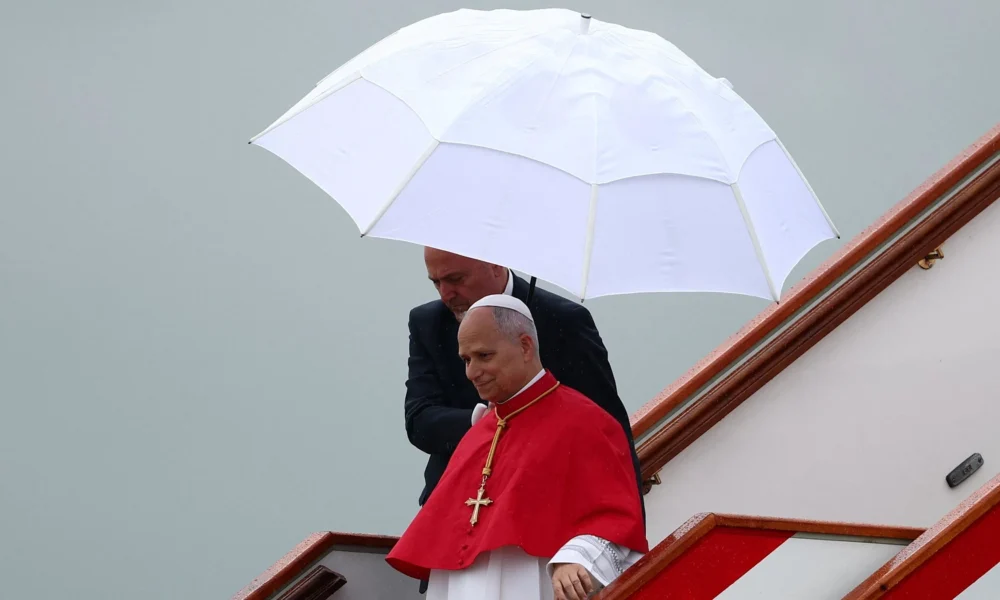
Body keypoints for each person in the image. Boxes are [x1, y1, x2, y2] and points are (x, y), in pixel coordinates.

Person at [387, 295, 648, 600]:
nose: (472, 372)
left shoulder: (586, 422)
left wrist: (577, 557)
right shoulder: (477, 433)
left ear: (525, 346)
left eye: (484, 356)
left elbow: (616, 520)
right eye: (466, 360)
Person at [405, 248, 645, 517]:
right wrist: (486, 421)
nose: (445, 294)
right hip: (452, 503)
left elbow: (608, 430)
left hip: (544, 504)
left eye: (456, 279)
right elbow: (419, 422)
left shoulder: (564, 321)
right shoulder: (427, 323)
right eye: (436, 282)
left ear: (495, 264)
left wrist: (632, 520)